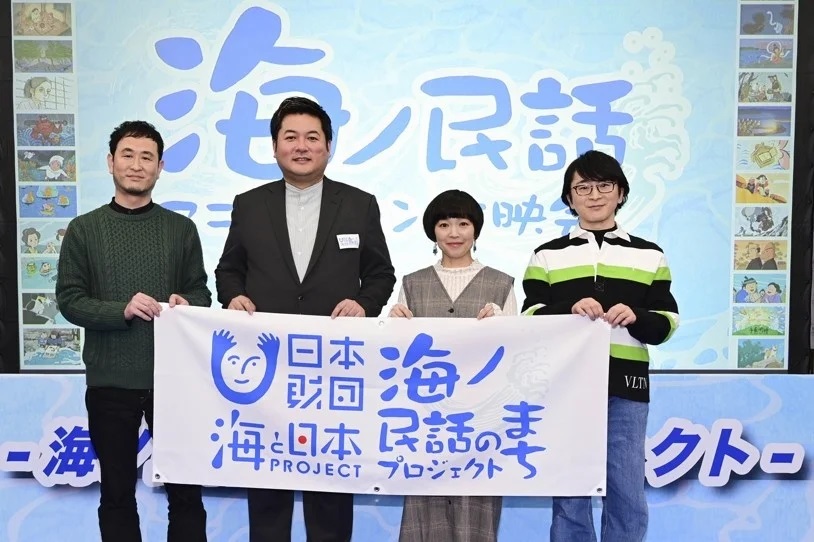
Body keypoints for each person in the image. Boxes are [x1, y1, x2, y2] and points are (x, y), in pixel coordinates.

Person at [215, 96, 396, 542]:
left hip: (333, 366)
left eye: (312, 137)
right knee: (268, 480)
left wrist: (363, 303)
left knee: (330, 482)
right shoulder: (249, 204)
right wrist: (234, 296)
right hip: (268, 366)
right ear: (274, 146)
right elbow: (228, 269)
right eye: (290, 137)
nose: (301, 146)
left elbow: (380, 274)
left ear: (328, 146)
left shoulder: (358, 204)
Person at [55, 120, 210, 542]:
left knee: (186, 494)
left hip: (174, 381)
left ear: (160, 167)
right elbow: (69, 299)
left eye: (147, 157)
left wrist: (187, 302)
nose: (137, 165)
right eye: (128, 155)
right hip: (110, 382)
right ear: (110, 162)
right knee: (117, 494)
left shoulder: (181, 229)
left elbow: (201, 291)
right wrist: (120, 310)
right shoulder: (84, 229)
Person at [521, 150, 679, 542]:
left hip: (627, 387)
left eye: (604, 185)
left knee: (626, 490)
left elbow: (667, 323)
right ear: (569, 197)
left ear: (621, 193)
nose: (594, 195)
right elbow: (529, 317)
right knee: (570, 491)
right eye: (583, 188)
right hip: (564, 387)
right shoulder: (546, 255)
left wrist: (637, 315)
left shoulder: (650, 254)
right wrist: (568, 309)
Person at [389, 189, 516, 542]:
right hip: (425, 422)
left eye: (463, 223)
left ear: (476, 229)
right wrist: (392, 324)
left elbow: (516, 352)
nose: (454, 233)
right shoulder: (412, 283)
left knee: (476, 516)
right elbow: (398, 355)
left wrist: (503, 325)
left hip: (481, 421)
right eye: (444, 225)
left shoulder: (501, 284)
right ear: (433, 231)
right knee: (422, 515)